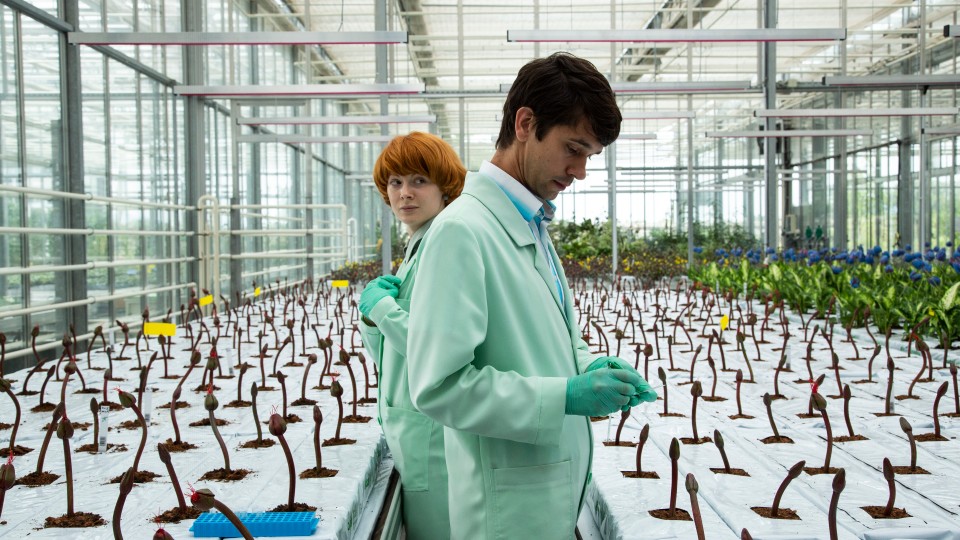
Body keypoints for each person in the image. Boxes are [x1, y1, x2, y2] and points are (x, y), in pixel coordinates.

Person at [405, 52, 658, 539]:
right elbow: (438, 387)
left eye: (589, 156)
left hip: (542, 495)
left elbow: (543, 338)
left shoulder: (531, 222)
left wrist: (587, 365)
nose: (580, 171)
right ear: (525, 124)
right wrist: (566, 395)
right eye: (573, 148)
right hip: (504, 512)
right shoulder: (463, 231)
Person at [357, 131, 466, 540]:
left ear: (445, 187)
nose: (405, 193)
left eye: (420, 180)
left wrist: (383, 311)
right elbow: (393, 354)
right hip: (416, 433)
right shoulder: (419, 245)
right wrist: (373, 321)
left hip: (434, 439)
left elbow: (436, 348)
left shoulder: (444, 244)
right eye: (395, 182)